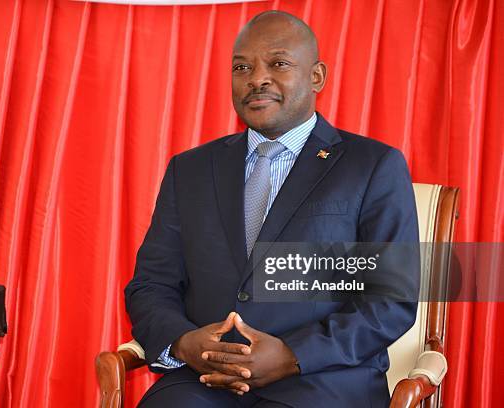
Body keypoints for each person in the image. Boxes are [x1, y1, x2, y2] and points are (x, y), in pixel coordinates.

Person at [125, 10, 419, 408]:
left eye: (278, 63)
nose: (256, 78)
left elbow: (390, 301)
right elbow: (151, 285)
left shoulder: (372, 166)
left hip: (322, 381)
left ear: (316, 77)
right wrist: (185, 342)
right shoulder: (190, 169)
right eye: (241, 66)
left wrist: (293, 356)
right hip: (205, 381)